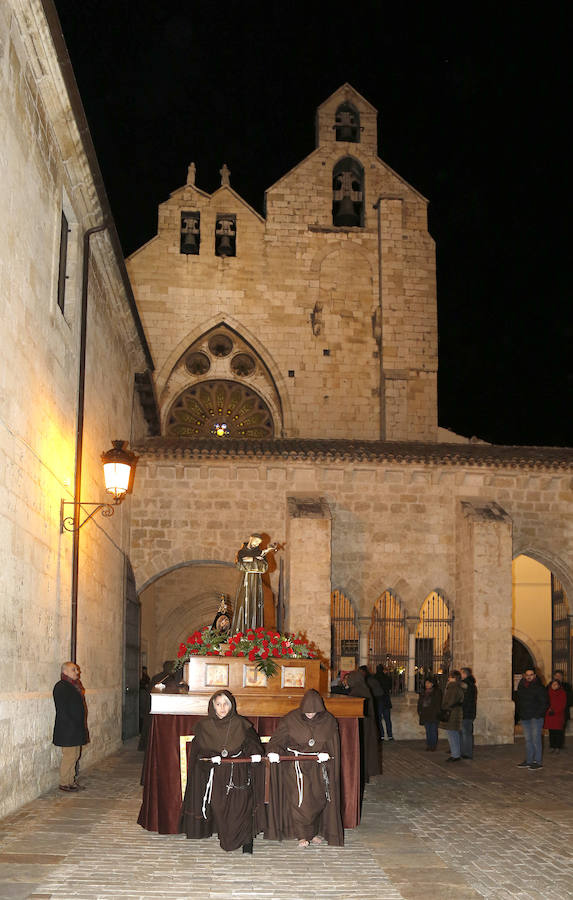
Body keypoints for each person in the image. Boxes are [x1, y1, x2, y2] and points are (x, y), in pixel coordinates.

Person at [179, 690, 264, 853]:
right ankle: (228, 838)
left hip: (237, 772)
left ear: (231, 706)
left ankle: (247, 841)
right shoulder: (204, 726)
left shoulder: (241, 724)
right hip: (216, 774)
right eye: (218, 704)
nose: (222, 708)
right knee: (220, 807)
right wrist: (210, 757)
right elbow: (198, 753)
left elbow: (252, 745)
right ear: (213, 706)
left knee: (241, 807)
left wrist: (254, 755)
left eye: (225, 704)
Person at [265, 689, 343, 847]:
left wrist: (327, 755)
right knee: (300, 801)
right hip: (296, 765)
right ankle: (302, 835)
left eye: (313, 712)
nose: (310, 714)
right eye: (307, 712)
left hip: (318, 766)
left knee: (317, 799)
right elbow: (276, 741)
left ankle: (312, 833)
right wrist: (273, 752)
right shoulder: (290, 719)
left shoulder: (329, 721)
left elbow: (333, 745)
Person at [52, 661, 89, 792]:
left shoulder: (74, 686)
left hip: (75, 728)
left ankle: (71, 781)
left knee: (74, 755)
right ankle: (64, 783)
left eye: (76, 670)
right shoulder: (61, 686)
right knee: (69, 756)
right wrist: (72, 725)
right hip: (68, 728)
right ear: (65, 672)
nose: (77, 672)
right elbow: (63, 710)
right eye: (74, 670)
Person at [231, 534, 276, 632]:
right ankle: (241, 632)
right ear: (251, 539)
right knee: (244, 604)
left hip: (256, 583)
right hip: (245, 581)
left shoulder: (259, 552)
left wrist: (251, 560)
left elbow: (264, 567)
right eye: (255, 541)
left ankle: (254, 633)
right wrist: (255, 562)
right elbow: (239, 565)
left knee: (255, 605)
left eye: (258, 543)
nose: (256, 544)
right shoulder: (242, 552)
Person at [344, 670, 381, 780]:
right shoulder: (361, 689)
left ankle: (362, 774)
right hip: (364, 725)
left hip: (363, 726)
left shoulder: (359, 692)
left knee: (362, 750)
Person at [515, 667, 548, 770]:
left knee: (536, 739)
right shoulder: (522, 686)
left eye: (531, 675)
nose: (529, 677)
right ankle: (529, 760)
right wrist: (520, 713)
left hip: (535, 717)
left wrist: (538, 714)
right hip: (525, 716)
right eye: (527, 675)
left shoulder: (539, 687)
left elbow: (545, 703)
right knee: (528, 740)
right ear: (525, 676)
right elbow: (519, 700)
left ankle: (537, 761)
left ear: (534, 676)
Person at [439, 670, 464, 761]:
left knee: (452, 734)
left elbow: (450, 701)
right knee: (454, 734)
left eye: (450, 677)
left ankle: (455, 754)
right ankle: (456, 753)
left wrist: (444, 706)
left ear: (454, 678)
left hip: (451, 713)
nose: (448, 678)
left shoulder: (453, 687)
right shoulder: (458, 686)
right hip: (455, 712)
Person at [417, 676, 442, 751]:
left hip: (433, 714)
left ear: (432, 684)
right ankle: (429, 744)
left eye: (429, 683)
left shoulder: (437, 692)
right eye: (426, 683)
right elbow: (420, 702)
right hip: (425, 713)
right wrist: (419, 711)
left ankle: (433, 745)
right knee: (428, 730)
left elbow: (438, 704)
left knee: (433, 730)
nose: (427, 684)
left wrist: (436, 713)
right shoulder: (423, 692)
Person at [544, 679, 567, 753]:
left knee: (558, 732)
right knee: (551, 732)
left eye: (556, 684)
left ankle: (557, 746)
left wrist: (555, 711)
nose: (554, 686)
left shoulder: (562, 692)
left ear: (559, 685)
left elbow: (563, 704)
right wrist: (549, 710)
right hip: (550, 715)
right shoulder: (548, 692)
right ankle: (552, 746)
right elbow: (545, 702)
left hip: (558, 715)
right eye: (553, 684)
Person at [460, 667, 477, 759]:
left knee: (466, 733)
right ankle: (464, 751)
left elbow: (466, 699)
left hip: (467, 712)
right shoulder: (470, 684)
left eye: (461, 673)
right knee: (464, 732)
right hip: (467, 711)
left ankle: (467, 753)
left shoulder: (466, 685)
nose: (460, 675)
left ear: (465, 674)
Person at [374, 664, 394, 741]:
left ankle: (381, 735)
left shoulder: (374, 678)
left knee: (379, 719)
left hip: (378, 700)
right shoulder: (387, 678)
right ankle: (390, 735)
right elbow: (390, 687)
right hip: (386, 700)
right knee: (387, 719)